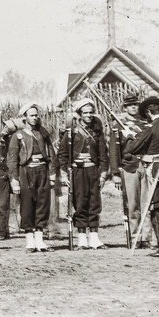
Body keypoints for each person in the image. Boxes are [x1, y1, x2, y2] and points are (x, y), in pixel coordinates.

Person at [124, 95, 159, 258]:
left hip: (157, 170)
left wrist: (129, 136)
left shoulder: (151, 128)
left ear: (149, 112)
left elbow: (132, 149)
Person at [58, 98, 110, 249]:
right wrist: (64, 173)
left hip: (93, 170)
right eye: (85, 112)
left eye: (90, 112)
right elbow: (62, 154)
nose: (88, 115)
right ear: (79, 114)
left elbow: (103, 154)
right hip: (77, 171)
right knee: (80, 203)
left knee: (94, 203)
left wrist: (103, 173)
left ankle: (94, 239)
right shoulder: (71, 132)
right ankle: (82, 239)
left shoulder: (98, 131)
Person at [7, 103, 58, 252]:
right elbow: (12, 159)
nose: (35, 118)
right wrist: (14, 180)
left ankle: (40, 241)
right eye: (31, 115)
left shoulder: (43, 133)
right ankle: (30, 241)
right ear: (25, 117)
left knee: (43, 204)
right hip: (26, 172)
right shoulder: (17, 136)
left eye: (36, 115)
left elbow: (51, 154)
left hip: (42, 171)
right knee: (27, 206)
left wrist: (53, 174)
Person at [108, 93, 153, 247]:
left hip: (146, 165)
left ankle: (146, 237)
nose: (133, 107)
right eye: (129, 105)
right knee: (132, 205)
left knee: (147, 203)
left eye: (135, 105)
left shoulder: (146, 122)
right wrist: (115, 173)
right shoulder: (119, 125)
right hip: (129, 166)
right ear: (125, 107)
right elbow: (114, 150)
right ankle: (135, 237)